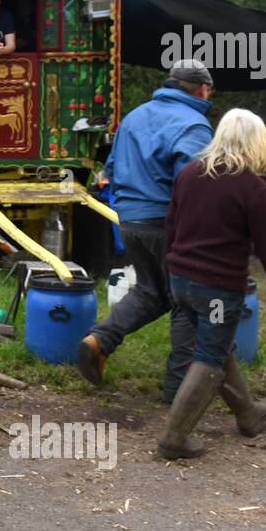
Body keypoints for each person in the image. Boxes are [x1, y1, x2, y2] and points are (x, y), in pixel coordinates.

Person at [159, 109, 266, 459]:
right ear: (257, 142)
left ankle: (248, 414)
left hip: (181, 280)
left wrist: (173, 267)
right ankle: (174, 438)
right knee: (210, 356)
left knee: (217, 347)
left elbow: (171, 227)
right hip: (216, 289)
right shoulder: (252, 187)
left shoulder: (189, 173)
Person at [77, 60, 214, 400]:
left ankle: (99, 340)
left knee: (151, 291)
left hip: (128, 221)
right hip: (166, 222)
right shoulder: (195, 125)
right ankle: (179, 390)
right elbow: (194, 186)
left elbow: (108, 169)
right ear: (203, 89)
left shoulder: (135, 117)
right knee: (185, 301)